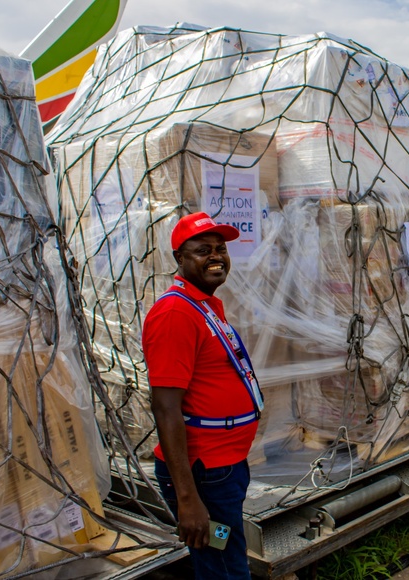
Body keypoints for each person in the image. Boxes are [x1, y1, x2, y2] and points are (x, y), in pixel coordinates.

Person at [143, 212, 264, 579]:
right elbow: (165, 408)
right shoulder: (175, 313)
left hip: (223, 469)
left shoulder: (204, 305)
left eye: (220, 249)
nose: (216, 257)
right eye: (202, 250)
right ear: (179, 259)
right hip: (203, 477)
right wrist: (187, 498)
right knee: (224, 565)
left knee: (225, 554)